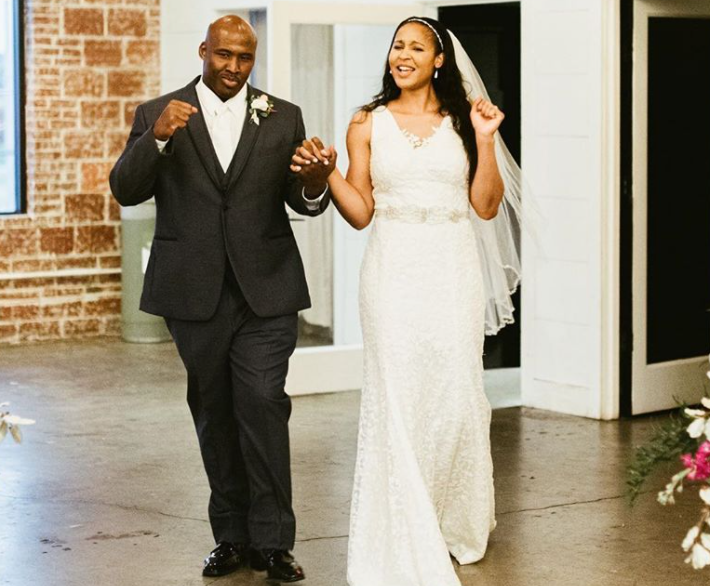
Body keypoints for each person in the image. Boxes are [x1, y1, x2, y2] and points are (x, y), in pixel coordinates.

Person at [291, 16, 524, 586]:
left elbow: (487, 207)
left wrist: (487, 140)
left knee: (455, 392)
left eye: (417, 47)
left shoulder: (464, 123)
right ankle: (401, 525)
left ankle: (452, 521)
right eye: (397, 45)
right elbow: (360, 211)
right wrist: (326, 177)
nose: (403, 55)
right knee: (396, 393)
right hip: (392, 268)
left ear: (438, 60)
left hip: (452, 268)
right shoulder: (366, 123)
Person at [109, 15, 332, 582]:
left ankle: (274, 542)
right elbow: (125, 190)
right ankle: (230, 537)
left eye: (245, 58)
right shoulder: (158, 112)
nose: (234, 67)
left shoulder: (284, 117)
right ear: (203, 50)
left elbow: (303, 200)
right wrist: (158, 137)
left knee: (262, 402)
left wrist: (315, 181)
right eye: (224, 55)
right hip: (194, 292)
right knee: (214, 412)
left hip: (268, 289)